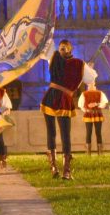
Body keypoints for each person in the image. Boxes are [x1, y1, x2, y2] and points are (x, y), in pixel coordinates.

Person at [41, 39, 96, 180]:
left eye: (64, 47)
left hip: (60, 98)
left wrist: (87, 69)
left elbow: (91, 78)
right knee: (52, 132)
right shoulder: (56, 58)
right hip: (53, 96)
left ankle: (65, 169)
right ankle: (54, 166)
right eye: (61, 47)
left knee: (64, 134)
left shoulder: (78, 63)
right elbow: (91, 78)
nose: (62, 49)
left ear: (71, 49)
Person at [78, 81, 109, 155]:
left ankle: (100, 152)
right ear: (87, 84)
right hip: (88, 115)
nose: (91, 84)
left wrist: (96, 104)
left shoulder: (100, 93)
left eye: (92, 82)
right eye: (89, 83)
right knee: (89, 132)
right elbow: (81, 105)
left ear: (94, 83)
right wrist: (87, 110)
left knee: (98, 132)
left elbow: (104, 103)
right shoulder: (84, 94)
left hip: (97, 114)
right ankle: (88, 152)